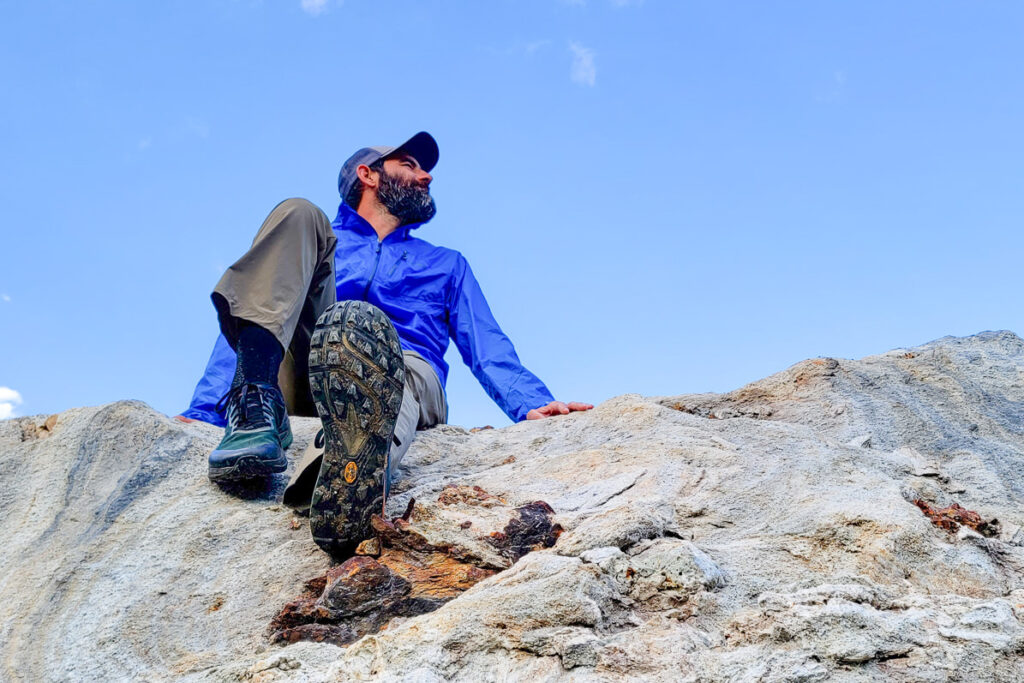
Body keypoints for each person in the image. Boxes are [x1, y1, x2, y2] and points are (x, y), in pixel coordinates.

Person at [179, 132, 592, 555]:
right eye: (409, 165)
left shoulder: (446, 263)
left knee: (389, 360)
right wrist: (203, 409)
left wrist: (532, 402)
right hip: (310, 373)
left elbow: (487, 344)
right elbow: (262, 308)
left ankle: (342, 478)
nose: (427, 176)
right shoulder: (321, 242)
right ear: (368, 175)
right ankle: (253, 414)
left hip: (406, 372)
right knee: (297, 212)